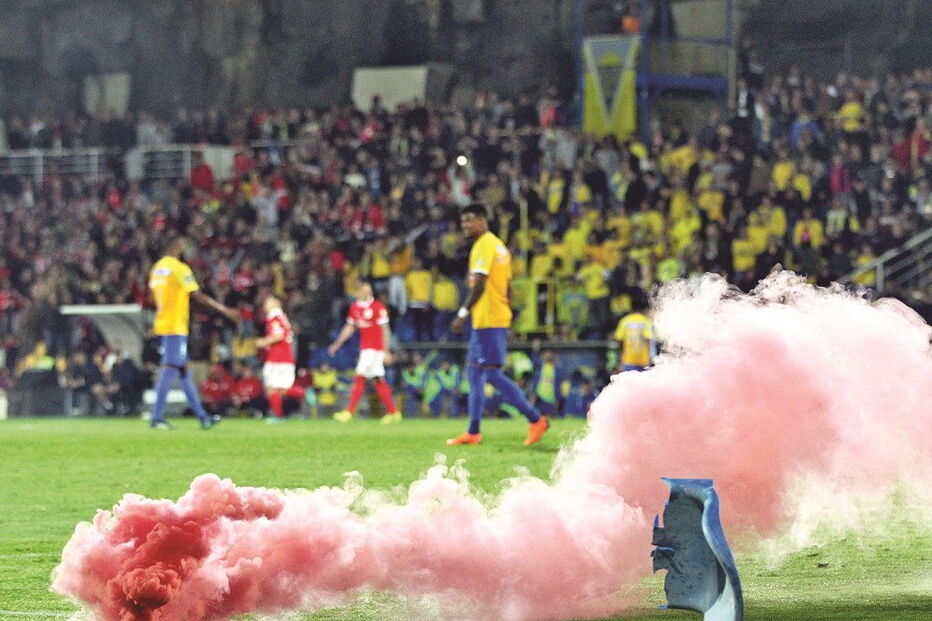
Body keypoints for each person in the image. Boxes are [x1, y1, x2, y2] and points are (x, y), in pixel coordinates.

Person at [448, 203, 550, 446]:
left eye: (470, 220)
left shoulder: (485, 245)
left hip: (490, 320)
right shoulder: (497, 247)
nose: (465, 225)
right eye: (463, 221)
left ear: (483, 220)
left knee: (491, 374)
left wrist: (462, 313)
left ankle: (536, 419)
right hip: (487, 318)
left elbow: (480, 283)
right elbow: (505, 286)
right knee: (474, 373)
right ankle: (473, 431)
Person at [148, 236, 239, 430]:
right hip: (176, 327)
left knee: (183, 372)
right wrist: (225, 310)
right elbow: (197, 295)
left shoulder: (157, 268)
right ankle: (156, 418)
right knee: (170, 370)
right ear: (178, 247)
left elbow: (156, 296)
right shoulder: (179, 269)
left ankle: (203, 417)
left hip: (163, 323)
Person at [327, 282, 401, 424]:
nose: (367, 292)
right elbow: (349, 328)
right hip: (366, 349)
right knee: (378, 380)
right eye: (364, 290)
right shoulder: (355, 307)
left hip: (375, 350)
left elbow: (385, 330)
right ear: (357, 292)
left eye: (369, 289)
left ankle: (349, 412)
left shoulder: (378, 307)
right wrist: (336, 344)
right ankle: (393, 412)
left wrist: (386, 351)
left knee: (360, 377)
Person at [254, 296, 296, 423]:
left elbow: (279, 335)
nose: (265, 305)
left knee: (271, 388)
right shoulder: (282, 317)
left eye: (267, 302)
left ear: (274, 303)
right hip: (286, 358)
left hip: (277, 358)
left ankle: (278, 416)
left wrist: (263, 341)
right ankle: (302, 392)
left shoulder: (273, 317)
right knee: (281, 389)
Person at [614, 293, 655, 372]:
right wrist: (651, 357)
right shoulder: (645, 321)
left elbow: (619, 340)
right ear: (642, 309)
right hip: (643, 360)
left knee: (630, 383)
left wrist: (619, 359)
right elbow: (649, 339)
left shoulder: (625, 321)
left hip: (628, 359)